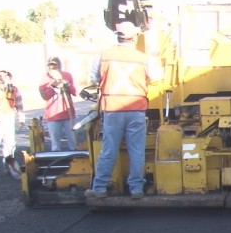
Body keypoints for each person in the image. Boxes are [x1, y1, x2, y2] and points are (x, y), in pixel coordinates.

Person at [85, 21, 158, 200]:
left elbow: (94, 77)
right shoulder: (144, 58)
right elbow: (156, 77)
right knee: (136, 150)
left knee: (109, 149)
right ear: (134, 37)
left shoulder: (104, 56)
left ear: (117, 36)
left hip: (113, 108)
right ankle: (136, 189)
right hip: (136, 109)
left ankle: (100, 188)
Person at [38, 56, 78, 151]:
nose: (52, 67)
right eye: (50, 65)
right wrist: (52, 86)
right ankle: (56, 159)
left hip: (68, 112)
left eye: (55, 64)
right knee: (55, 142)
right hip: (53, 115)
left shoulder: (67, 75)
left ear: (59, 65)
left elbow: (75, 92)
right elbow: (44, 96)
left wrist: (68, 85)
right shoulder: (45, 78)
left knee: (73, 141)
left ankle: (76, 159)